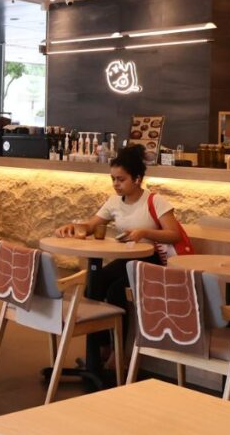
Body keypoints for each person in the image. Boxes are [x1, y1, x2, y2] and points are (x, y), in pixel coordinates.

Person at [54, 144, 185, 358]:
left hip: (153, 261)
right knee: (96, 281)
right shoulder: (114, 202)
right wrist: (72, 227)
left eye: (121, 179)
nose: (116, 184)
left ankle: (117, 354)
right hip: (128, 260)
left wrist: (144, 232)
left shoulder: (155, 201)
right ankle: (100, 349)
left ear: (137, 179)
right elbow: (91, 225)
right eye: (113, 179)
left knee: (116, 290)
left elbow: (174, 234)